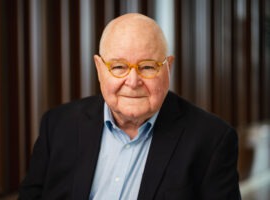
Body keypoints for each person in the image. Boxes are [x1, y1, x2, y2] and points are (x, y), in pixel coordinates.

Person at [18, 13, 241, 200]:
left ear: (168, 68)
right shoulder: (58, 126)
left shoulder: (212, 140)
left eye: (147, 67)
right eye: (118, 67)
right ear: (99, 68)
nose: (133, 82)